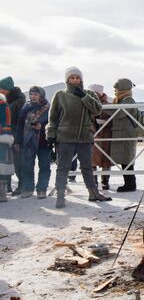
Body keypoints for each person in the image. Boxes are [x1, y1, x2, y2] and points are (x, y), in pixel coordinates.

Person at [46, 67, 111, 208]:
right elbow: (53, 118)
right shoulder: (60, 95)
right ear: (67, 79)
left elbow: (97, 110)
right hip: (65, 137)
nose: (75, 80)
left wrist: (83, 96)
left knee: (87, 167)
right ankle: (61, 196)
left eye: (77, 77)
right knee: (63, 167)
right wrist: (50, 135)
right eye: (72, 77)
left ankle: (93, 193)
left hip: (85, 137)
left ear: (81, 79)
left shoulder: (89, 93)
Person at [105, 78, 144, 192]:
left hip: (127, 134)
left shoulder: (128, 101)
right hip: (123, 133)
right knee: (125, 160)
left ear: (122, 88)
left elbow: (118, 113)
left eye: (116, 88)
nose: (115, 90)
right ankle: (129, 183)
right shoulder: (122, 100)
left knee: (127, 160)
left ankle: (130, 184)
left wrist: (103, 107)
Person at [13, 86, 51, 199]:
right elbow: (20, 125)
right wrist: (17, 141)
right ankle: (28, 188)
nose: (33, 97)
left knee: (44, 165)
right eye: (31, 94)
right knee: (27, 165)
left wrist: (42, 126)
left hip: (44, 141)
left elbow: (52, 123)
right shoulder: (26, 107)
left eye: (36, 94)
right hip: (28, 140)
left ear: (41, 95)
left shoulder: (47, 108)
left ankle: (42, 189)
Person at [0, 76, 26, 195]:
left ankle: (22, 185)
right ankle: (7, 186)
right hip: (6, 135)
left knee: (18, 161)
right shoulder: (7, 100)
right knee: (6, 161)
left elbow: (19, 120)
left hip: (16, 135)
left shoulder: (19, 101)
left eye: (2, 89)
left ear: (7, 89)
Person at [89, 84, 112, 190]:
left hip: (106, 135)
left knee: (106, 159)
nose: (94, 95)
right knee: (91, 159)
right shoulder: (87, 104)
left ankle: (105, 181)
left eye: (96, 93)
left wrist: (105, 121)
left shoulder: (108, 105)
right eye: (92, 93)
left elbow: (113, 118)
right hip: (92, 134)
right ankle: (93, 181)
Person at [0, 93, 14, 202]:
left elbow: (6, 124)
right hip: (2, 139)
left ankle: (2, 193)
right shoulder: (4, 105)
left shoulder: (3, 105)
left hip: (1, 139)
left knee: (1, 165)